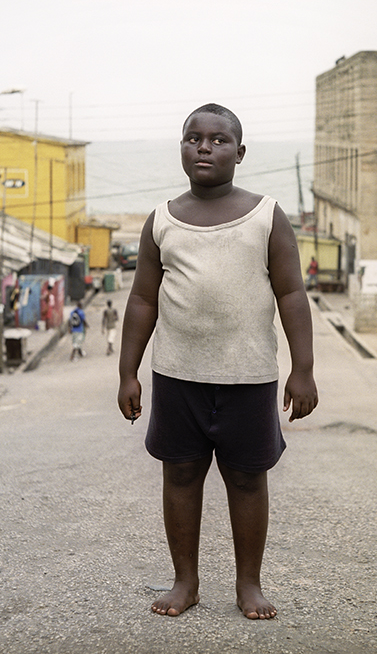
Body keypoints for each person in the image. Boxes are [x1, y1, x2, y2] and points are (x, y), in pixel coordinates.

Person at [117, 104, 318, 620]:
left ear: (240, 153)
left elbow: (292, 293)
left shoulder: (266, 215)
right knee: (180, 476)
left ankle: (248, 584)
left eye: (218, 140)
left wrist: (303, 368)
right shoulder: (161, 220)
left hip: (248, 377)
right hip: (177, 374)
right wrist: (127, 372)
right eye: (193, 138)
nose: (204, 147)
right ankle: (186, 581)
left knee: (248, 478)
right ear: (181, 148)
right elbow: (142, 300)